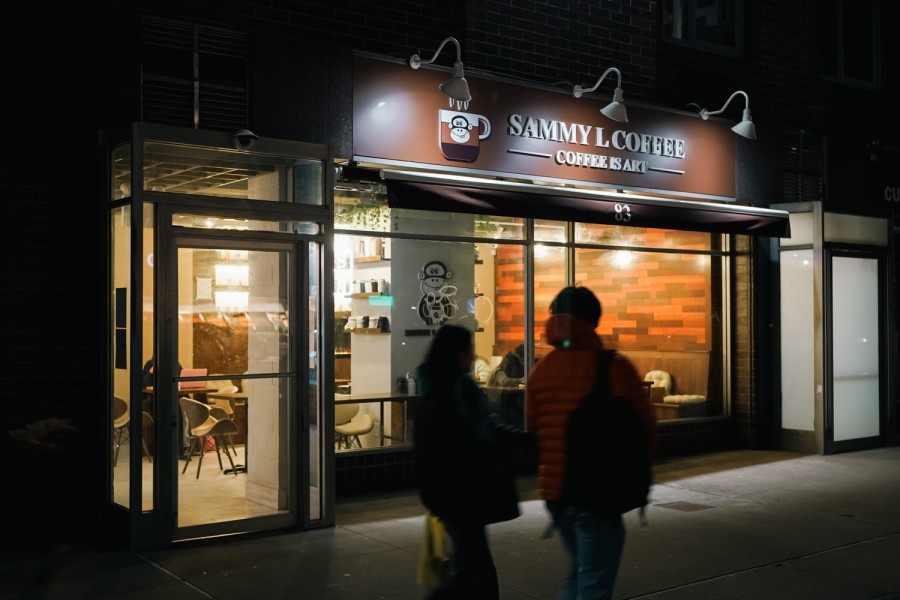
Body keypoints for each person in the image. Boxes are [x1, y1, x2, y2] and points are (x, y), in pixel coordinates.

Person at [525, 286, 656, 600]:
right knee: (594, 580)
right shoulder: (613, 366)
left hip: (556, 492)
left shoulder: (541, 370)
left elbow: (533, 428)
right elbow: (645, 426)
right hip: (597, 491)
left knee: (580, 570)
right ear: (594, 319)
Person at [414, 324, 520, 599]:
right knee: (472, 571)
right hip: (459, 495)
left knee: (479, 567)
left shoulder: (445, 390)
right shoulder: (450, 395)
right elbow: (465, 443)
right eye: (468, 350)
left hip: (458, 494)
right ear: (455, 353)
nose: (473, 356)